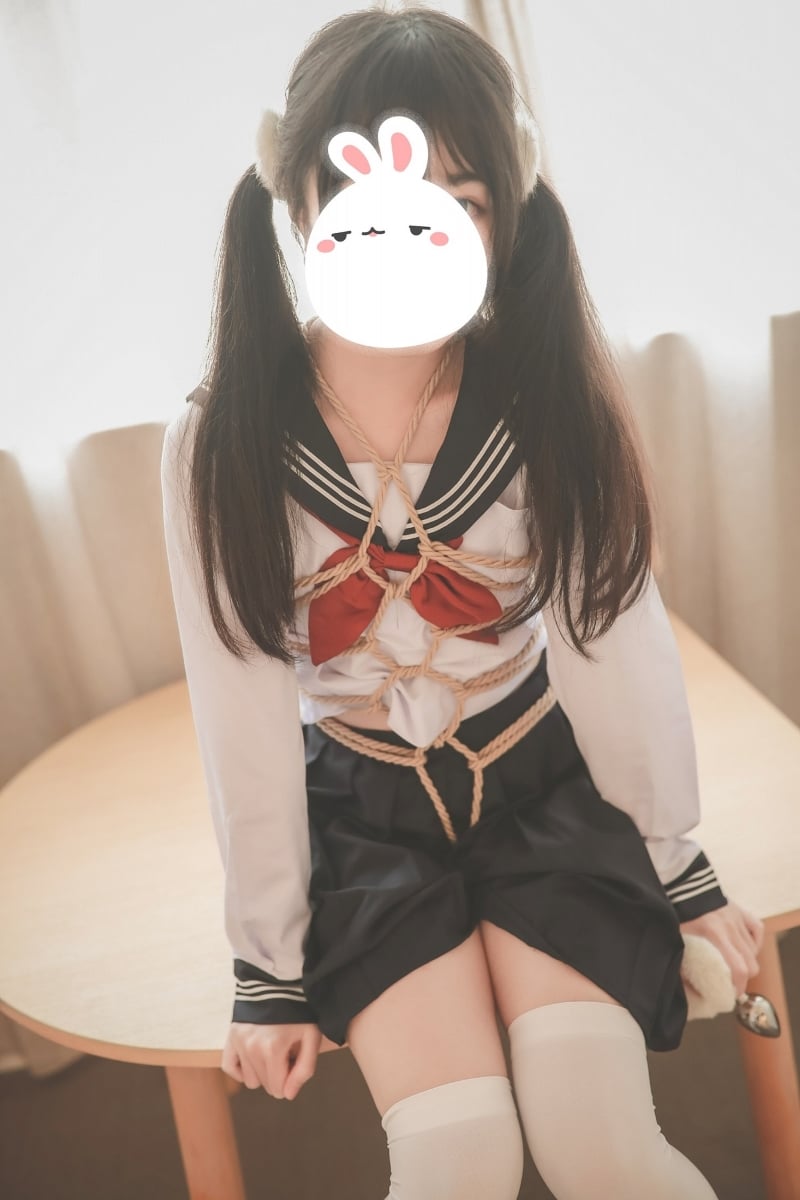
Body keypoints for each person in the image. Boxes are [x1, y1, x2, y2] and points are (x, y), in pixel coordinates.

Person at [160, 7, 763, 1197]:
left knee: (599, 1146)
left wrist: (672, 860)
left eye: (462, 199)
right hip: (363, 823)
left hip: (541, 787)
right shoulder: (219, 437)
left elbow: (609, 634)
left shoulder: (542, 392)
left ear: (505, 211)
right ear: (296, 198)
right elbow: (237, 709)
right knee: (459, 1158)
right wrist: (266, 962)